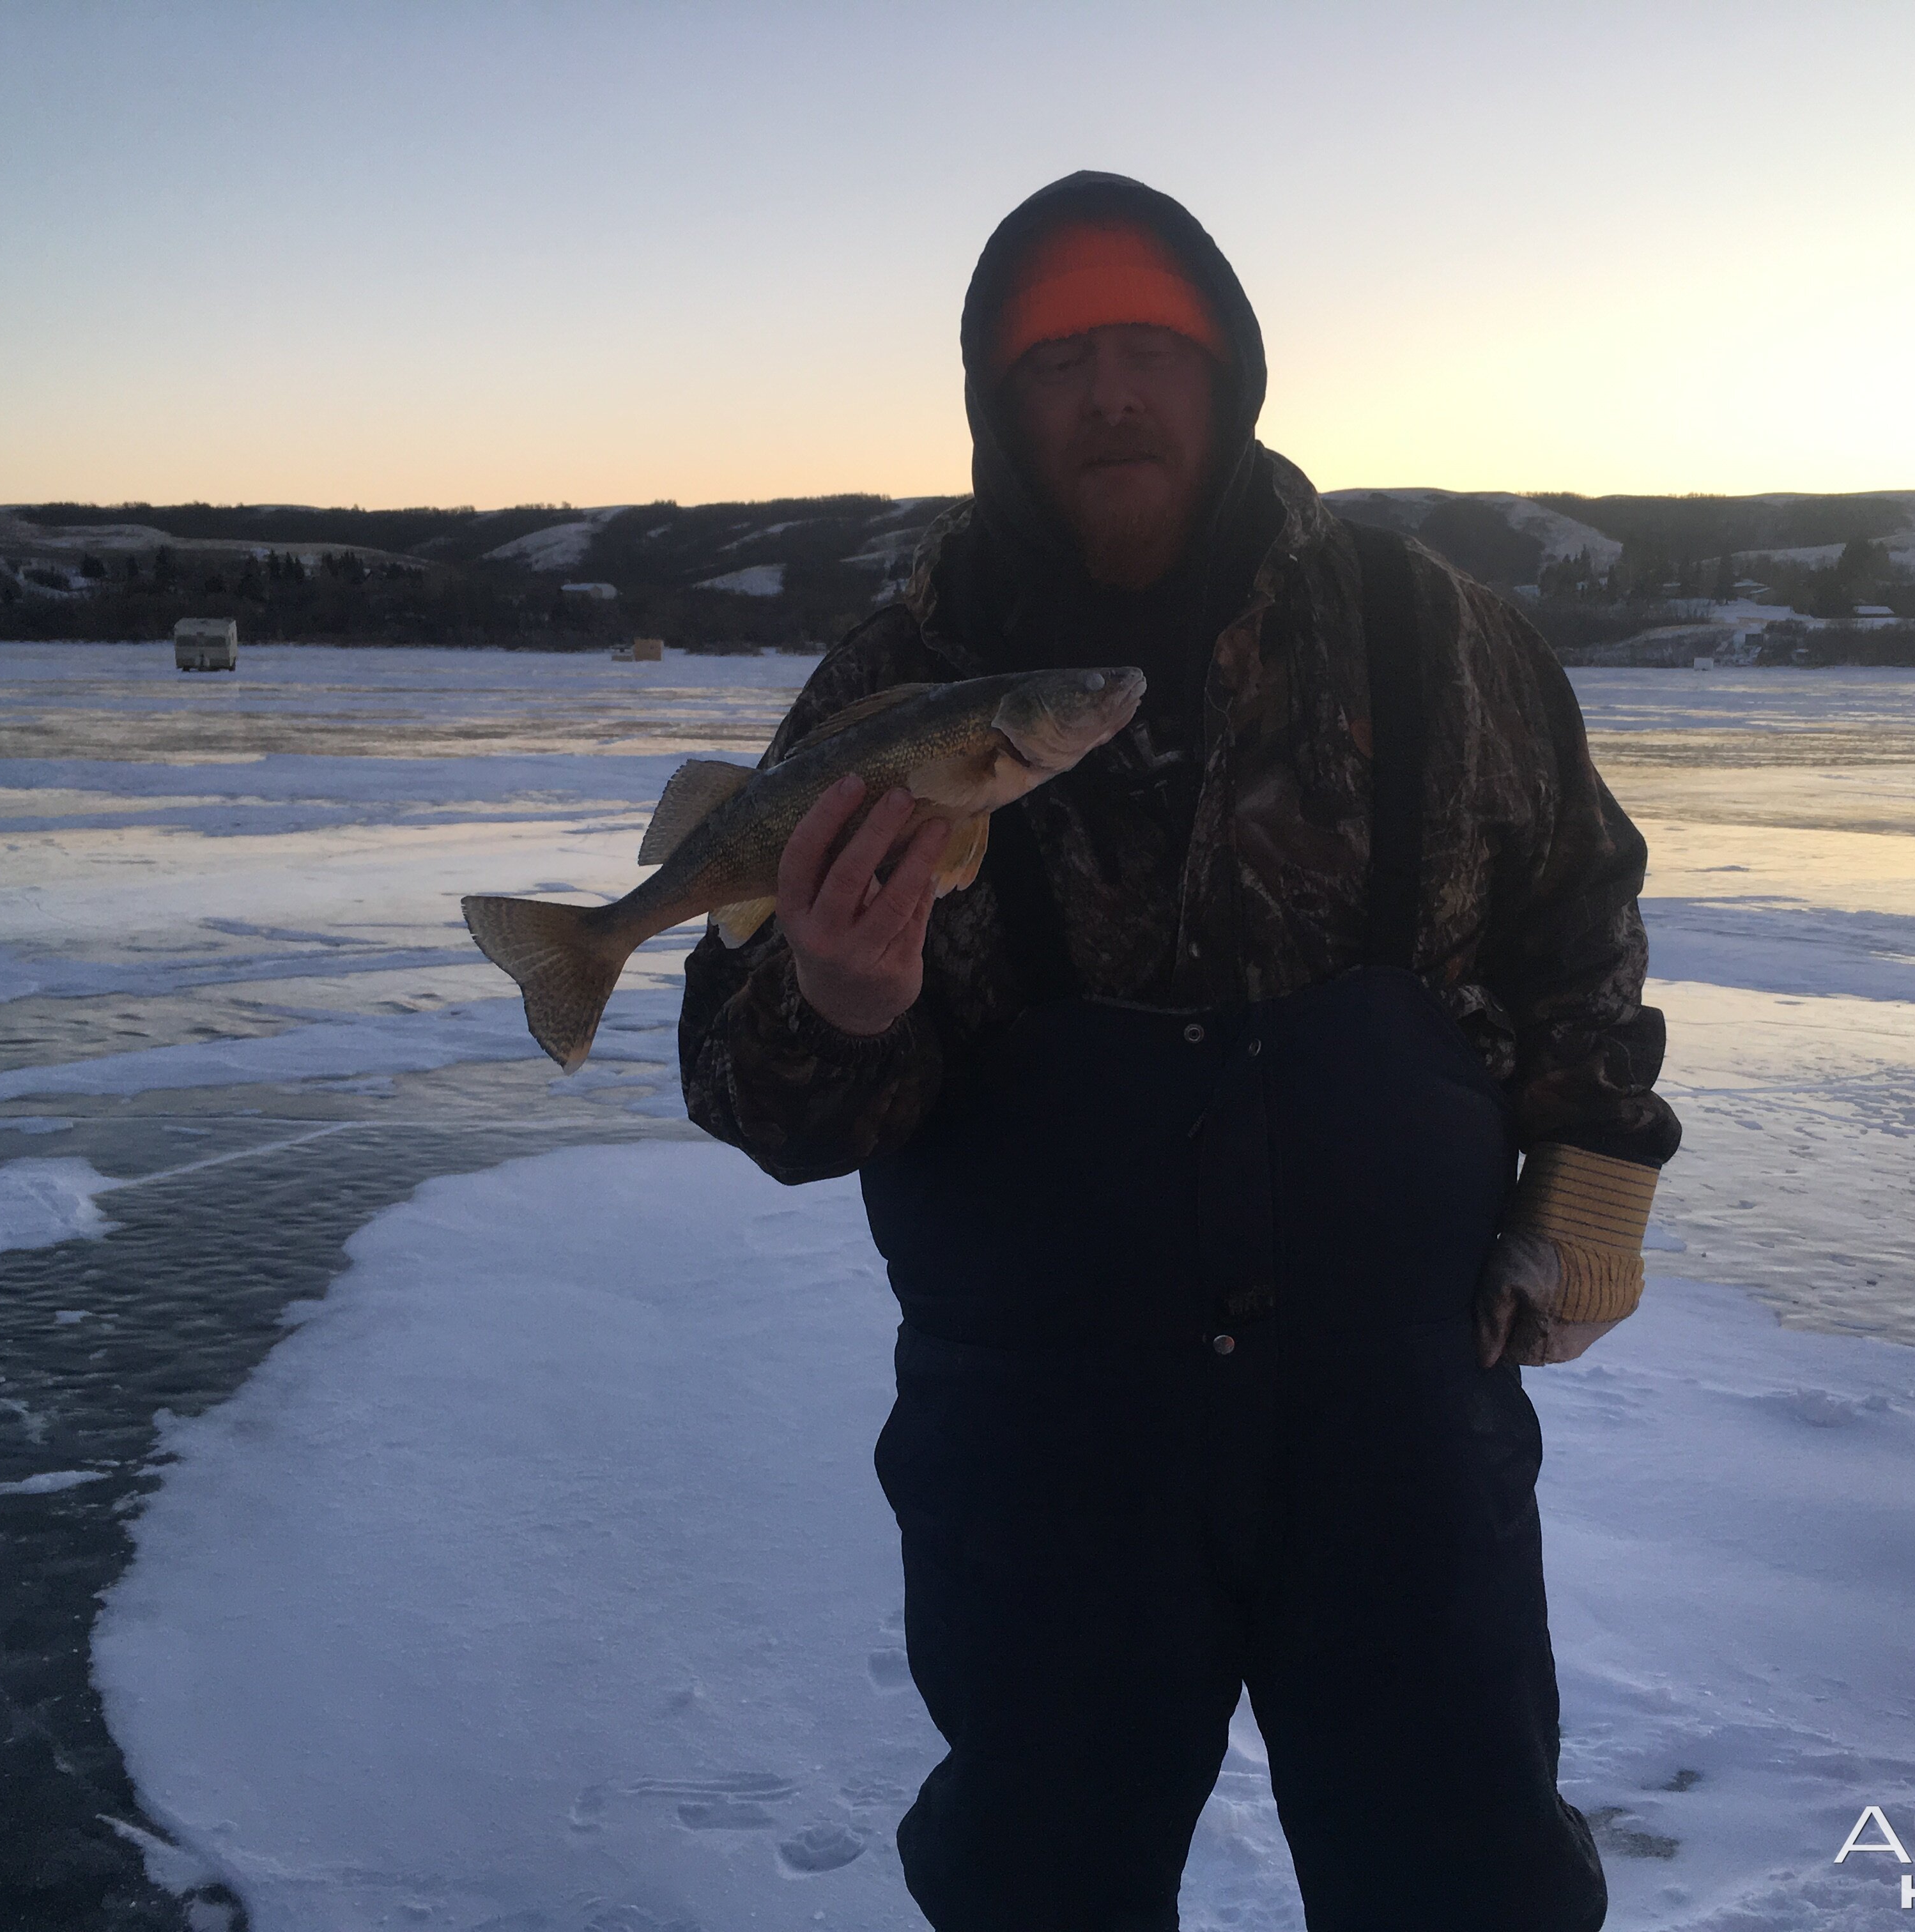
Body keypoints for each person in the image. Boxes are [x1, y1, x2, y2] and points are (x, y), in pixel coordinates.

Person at [681, 171, 1680, 1929]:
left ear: (1231, 376)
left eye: (1152, 346)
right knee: (1041, 1883)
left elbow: (1574, 912)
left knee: (1464, 1881)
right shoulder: (896, 682)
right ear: (1000, 400)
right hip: (1047, 1446)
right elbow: (753, 1093)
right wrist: (833, 1005)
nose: (1110, 390)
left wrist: (1592, 1180)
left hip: (1399, 1428)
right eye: (1060, 357)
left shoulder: (1432, 634)